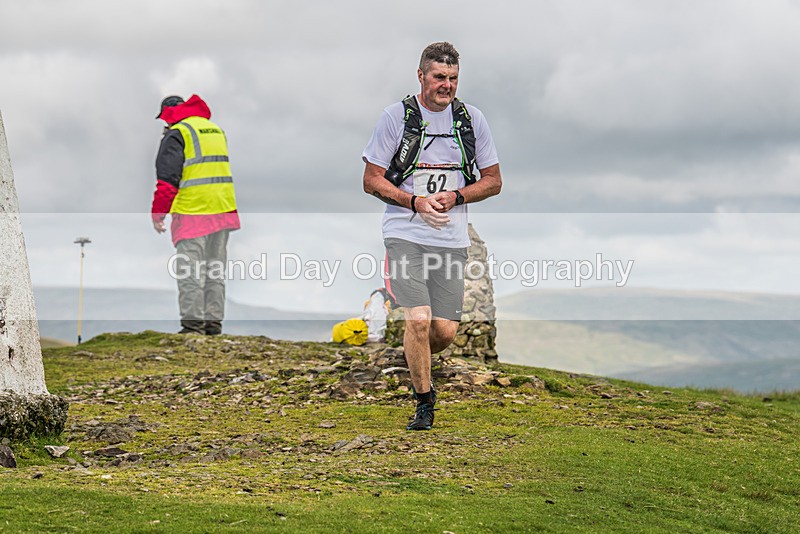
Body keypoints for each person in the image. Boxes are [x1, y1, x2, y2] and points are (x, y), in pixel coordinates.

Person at [362, 42, 502, 430]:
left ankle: (413, 353)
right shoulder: (396, 117)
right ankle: (425, 403)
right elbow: (371, 180)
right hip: (404, 233)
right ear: (421, 75)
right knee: (419, 320)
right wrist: (415, 202)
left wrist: (457, 196)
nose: (447, 85)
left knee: (443, 332)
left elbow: (493, 181)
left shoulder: (471, 120)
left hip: (451, 240)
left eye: (454, 78)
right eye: (440, 77)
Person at [151, 94, 241, 335]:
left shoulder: (178, 133)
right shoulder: (215, 130)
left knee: (190, 271)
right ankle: (213, 324)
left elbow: (168, 180)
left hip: (193, 212)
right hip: (223, 210)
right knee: (214, 270)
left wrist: (158, 213)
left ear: (169, 115)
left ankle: (192, 326)